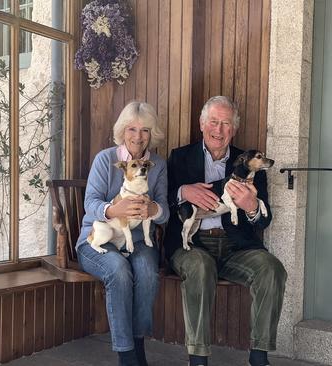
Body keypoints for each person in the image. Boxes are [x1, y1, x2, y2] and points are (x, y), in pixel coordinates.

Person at [163, 96, 286, 366]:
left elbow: (263, 221)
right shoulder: (180, 157)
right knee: (200, 267)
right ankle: (198, 359)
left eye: (226, 123)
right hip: (192, 245)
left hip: (236, 247)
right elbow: (161, 199)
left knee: (271, 269)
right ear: (201, 124)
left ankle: (259, 356)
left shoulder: (250, 164)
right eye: (214, 122)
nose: (218, 130)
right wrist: (184, 191)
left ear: (234, 129)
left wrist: (252, 206)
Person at [76, 101, 169, 366]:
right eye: (132, 129)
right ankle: (128, 356)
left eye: (145, 130)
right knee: (118, 271)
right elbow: (90, 203)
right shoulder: (106, 159)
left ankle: (137, 345)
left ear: (152, 134)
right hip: (97, 239)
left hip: (138, 240)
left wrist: (154, 209)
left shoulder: (158, 165)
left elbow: (166, 212)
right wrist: (113, 209)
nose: (138, 136)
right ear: (122, 131)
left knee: (148, 273)